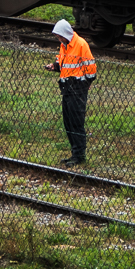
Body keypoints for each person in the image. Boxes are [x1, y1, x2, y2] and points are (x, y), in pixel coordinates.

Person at [45, 19, 97, 167]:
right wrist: (54, 66)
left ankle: (79, 155)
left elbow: (91, 68)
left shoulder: (81, 44)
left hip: (77, 87)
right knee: (68, 122)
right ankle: (75, 153)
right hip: (67, 87)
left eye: (59, 36)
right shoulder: (65, 45)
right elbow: (63, 63)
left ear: (65, 34)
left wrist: (86, 84)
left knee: (76, 122)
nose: (59, 39)